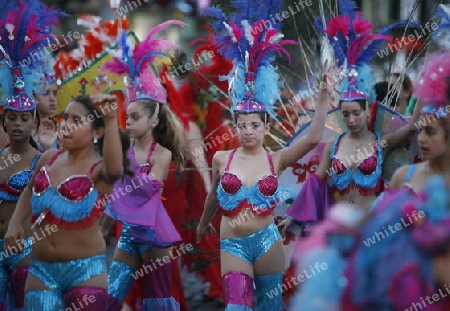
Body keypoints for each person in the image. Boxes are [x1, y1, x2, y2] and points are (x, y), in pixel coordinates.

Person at [196, 2, 341, 309]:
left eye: (254, 125)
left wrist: (325, 97)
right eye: (242, 125)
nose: (248, 131)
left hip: (267, 243)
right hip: (232, 243)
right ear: (235, 126)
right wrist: (203, 223)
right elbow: (212, 197)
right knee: (237, 305)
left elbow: (314, 138)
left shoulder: (277, 159)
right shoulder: (223, 157)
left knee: (268, 306)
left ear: (265, 126)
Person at [278, 5, 421, 237]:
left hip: (372, 228)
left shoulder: (381, 143)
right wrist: (292, 216)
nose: (351, 119)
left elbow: (413, 126)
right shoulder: (334, 144)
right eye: (345, 114)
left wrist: (425, 94)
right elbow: (316, 182)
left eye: (356, 113)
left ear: (367, 110)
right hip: (340, 229)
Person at [4, 92, 127, 310]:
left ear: (97, 132)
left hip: (85, 273)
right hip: (40, 271)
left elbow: (115, 170)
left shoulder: (99, 169)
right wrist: (15, 222)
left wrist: (110, 119)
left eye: (77, 120)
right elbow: (30, 189)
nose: (67, 125)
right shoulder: (48, 158)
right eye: (66, 118)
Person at [101, 21, 188, 311]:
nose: (129, 122)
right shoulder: (124, 148)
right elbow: (111, 185)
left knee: (158, 299)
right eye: (128, 116)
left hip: (154, 233)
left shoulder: (161, 152)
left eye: (136, 117)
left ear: (154, 121)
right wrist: (103, 225)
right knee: (113, 294)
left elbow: (150, 189)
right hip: (128, 232)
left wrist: (123, 176)